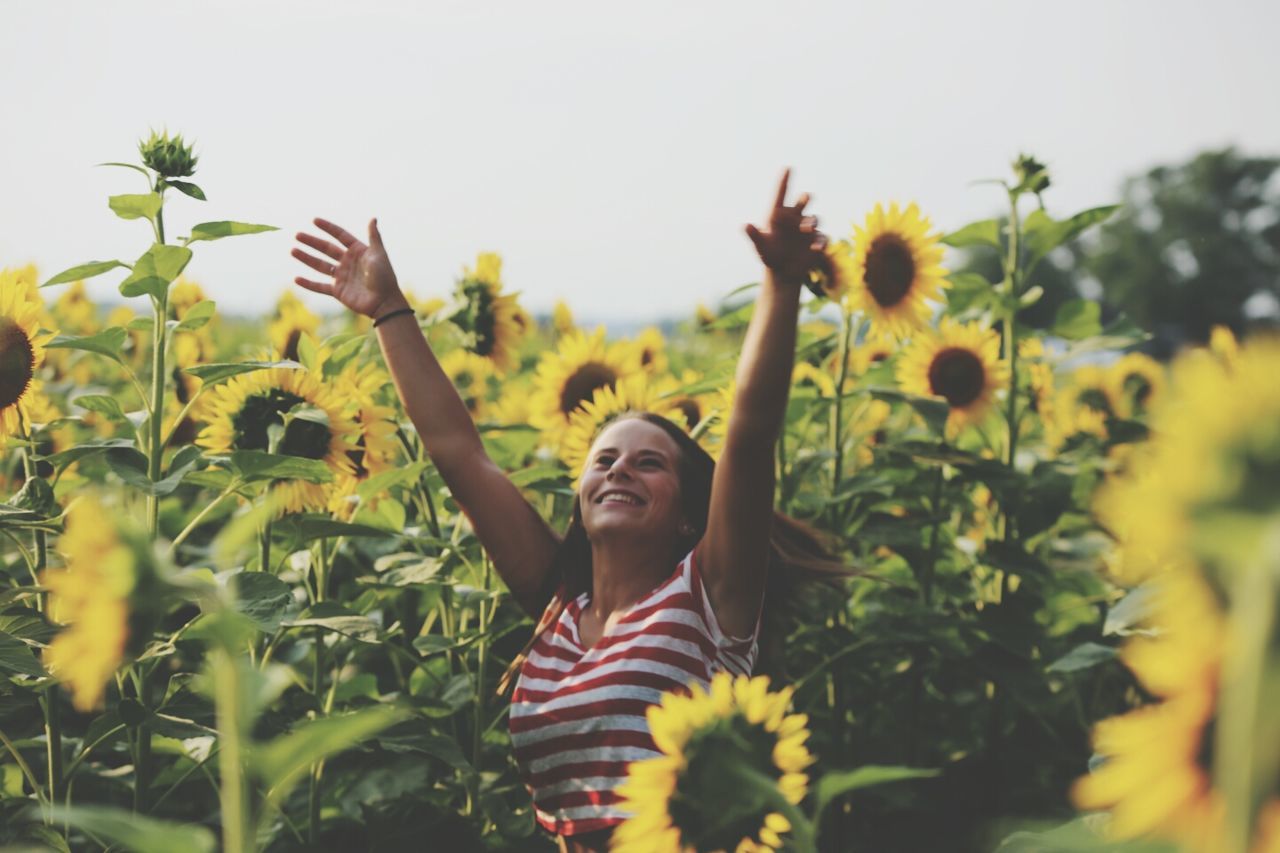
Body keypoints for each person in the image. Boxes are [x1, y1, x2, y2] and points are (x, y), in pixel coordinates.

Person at [292, 170, 841, 852]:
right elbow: (461, 455)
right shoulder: (558, 607)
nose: (618, 469)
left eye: (650, 462)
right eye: (604, 459)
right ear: (580, 498)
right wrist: (388, 310)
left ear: (690, 517)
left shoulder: (709, 597)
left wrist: (780, 287)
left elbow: (750, 433)